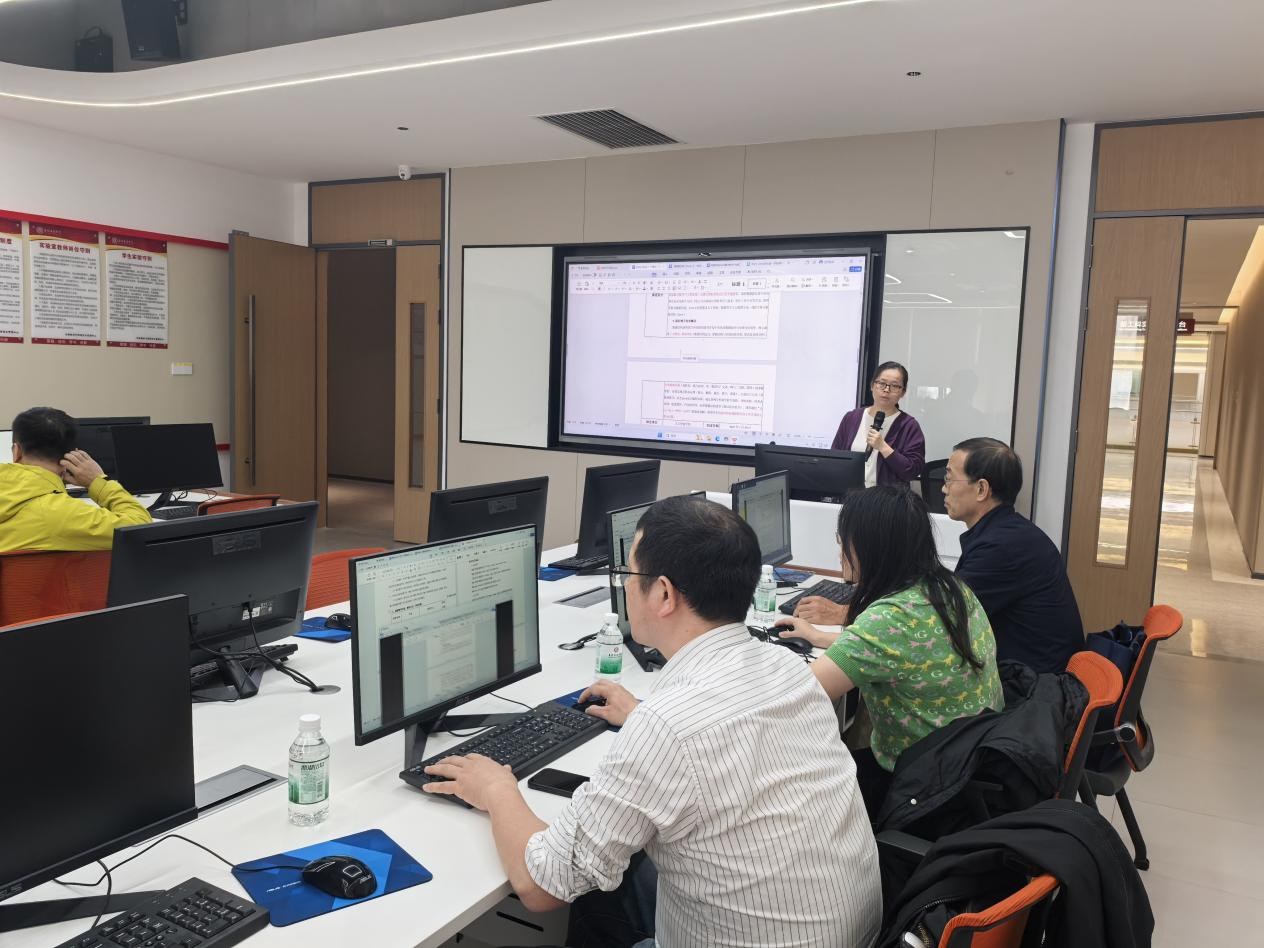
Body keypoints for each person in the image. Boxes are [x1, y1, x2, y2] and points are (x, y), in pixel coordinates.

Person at [422, 495, 881, 948]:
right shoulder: (786, 667)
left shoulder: (668, 727)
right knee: (623, 873)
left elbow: (543, 887)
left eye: (628, 574)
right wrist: (644, 717)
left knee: (590, 891)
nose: (624, 587)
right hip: (853, 932)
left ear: (663, 593)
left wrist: (497, 789)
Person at [775, 486, 1003, 818]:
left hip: (926, 791)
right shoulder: (950, 588)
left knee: (799, 784)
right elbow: (907, 650)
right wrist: (818, 637)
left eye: (842, 540)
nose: (840, 551)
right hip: (970, 763)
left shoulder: (889, 620)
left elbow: (797, 695)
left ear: (869, 547)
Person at [942, 438, 1084, 673]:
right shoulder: (1007, 533)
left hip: (1034, 685)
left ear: (981, 489)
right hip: (1029, 672)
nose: (943, 488)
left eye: (949, 478)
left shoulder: (1001, 547)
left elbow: (945, 614)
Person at [0, 407, 151, 553]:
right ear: (71, 456)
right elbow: (141, 530)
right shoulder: (62, 515)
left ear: (16, 451)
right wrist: (98, 481)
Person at [830, 361, 925, 490]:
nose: (886, 390)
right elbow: (834, 458)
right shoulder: (851, 418)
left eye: (894, 386)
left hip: (888, 499)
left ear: (903, 392)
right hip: (850, 495)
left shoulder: (909, 425)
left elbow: (912, 470)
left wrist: (883, 447)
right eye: (882, 383)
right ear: (872, 385)